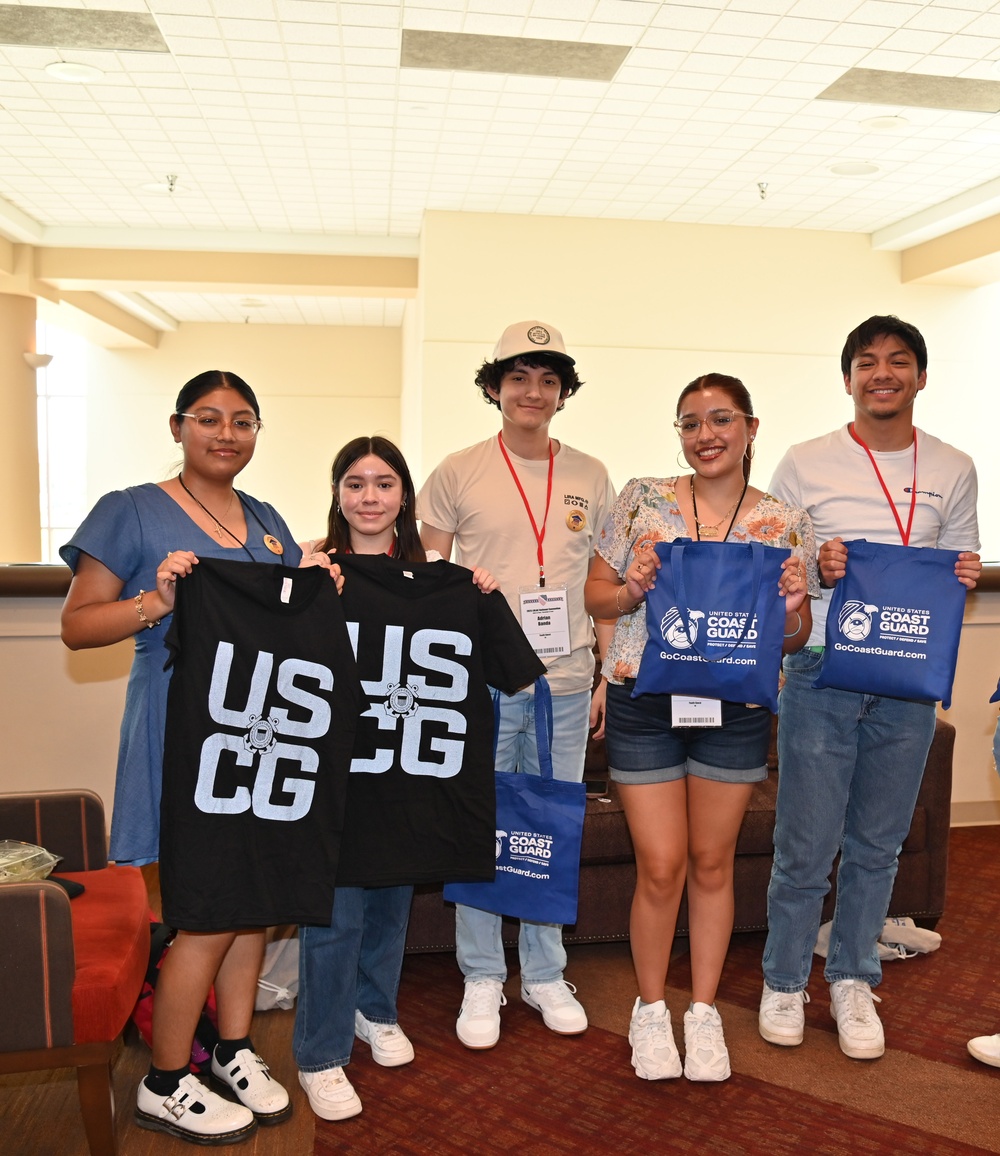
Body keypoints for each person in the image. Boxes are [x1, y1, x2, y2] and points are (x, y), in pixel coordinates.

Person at [60, 371, 310, 1145]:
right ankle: (165, 1081)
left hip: (258, 731)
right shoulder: (129, 509)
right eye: (209, 419)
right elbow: (77, 626)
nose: (226, 434)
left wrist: (319, 583)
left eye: (243, 420)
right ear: (178, 427)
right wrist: (156, 603)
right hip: (178, 727)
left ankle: (231, 1050)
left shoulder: (267, 521)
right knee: (203, 908)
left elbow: (288, 622)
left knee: (252, 904)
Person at [584, 372, 816, 1081]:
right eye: (689, 423)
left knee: (713, 864)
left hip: (735, 711)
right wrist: (632, 588)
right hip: (645, 702)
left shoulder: (783, 521)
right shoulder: (640, 499)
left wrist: (798, 606)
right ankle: (651, 1010)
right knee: (660, 866)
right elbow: (596, 592)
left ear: (750, 427)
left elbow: (793, 639)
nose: (705, 435)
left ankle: (704, 1011)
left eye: (720, 420)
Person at [760, 316, 981, 1061]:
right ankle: (785, 980)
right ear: (847, 377)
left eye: (897, 362)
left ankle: (853, 977)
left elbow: (959, 561)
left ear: (921, 376)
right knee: (804, 845)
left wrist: (965, 574)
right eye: (865, 362)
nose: (881, 373)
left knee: (878, 845)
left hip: (906, 679)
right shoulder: (804, 460)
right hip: (821, 668)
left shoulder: (953, 465)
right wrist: (813, 568)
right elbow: (780, 568)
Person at [418, 320, 614, 1049]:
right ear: (494, 386)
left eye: (548, 379)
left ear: (563, 393)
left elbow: (603, 581)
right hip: (483, 686)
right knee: (483, 826)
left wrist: (604, 673)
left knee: (551, 824)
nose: (533, 391)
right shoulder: (458, 470)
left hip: (566, 682)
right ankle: (480, 975)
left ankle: (543, 973)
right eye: (519, 377)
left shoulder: (593, 475)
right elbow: (431, 583)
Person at [294, 436, 498, 1122]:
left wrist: (481, 597)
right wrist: (301, 593)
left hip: (409, 768)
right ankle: (319, 1053)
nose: (370, 497)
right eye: (355, 483)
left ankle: (373, 1009)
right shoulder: (316, 566)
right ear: (337, 493)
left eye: (383, 484)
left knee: (391, 906)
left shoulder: (437, 575)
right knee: (335, 916)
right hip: (335, 774)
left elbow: (502, 661)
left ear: (404, 496)